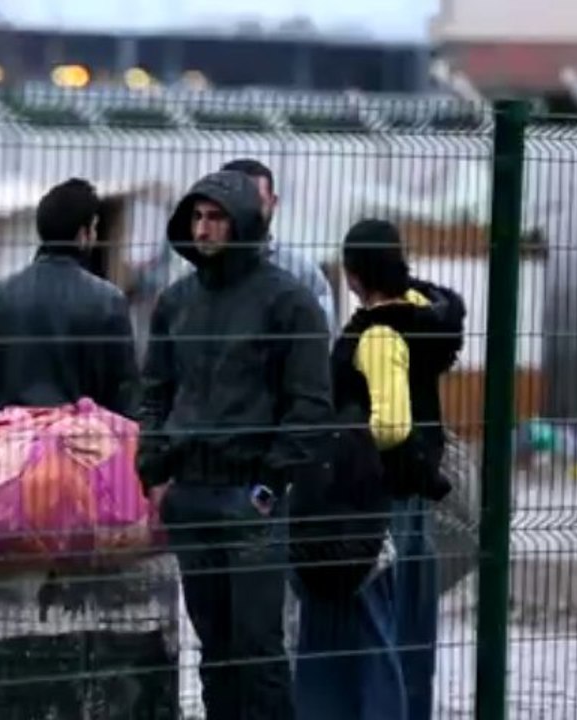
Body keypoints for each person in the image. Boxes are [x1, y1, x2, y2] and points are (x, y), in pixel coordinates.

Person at [0, 178, 177, 719]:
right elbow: (124, 404)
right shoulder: (105, 302)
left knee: (12, 615)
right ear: (88, 233)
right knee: (85, 615)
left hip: (8, 474)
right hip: (80, 479)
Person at [138, 169, 333, 719]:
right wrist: (153, 472)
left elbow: (310, 405)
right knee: (215, 653)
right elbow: (154, 391)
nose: (203, 229)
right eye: (197, 217)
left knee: (259, 650)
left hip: (251, 496)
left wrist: (270, 486)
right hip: (190, 494)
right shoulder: (176, 302)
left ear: (244, 221)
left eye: (216, 217)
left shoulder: (289, 303)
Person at [295, 219, 465, 720]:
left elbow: (390, 425)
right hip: (414, 494)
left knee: (369, 630)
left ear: (352, 274)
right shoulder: (423, 315)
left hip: (374, 500)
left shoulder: (377, 332)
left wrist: (345, 445)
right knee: (408, 627)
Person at [221, 159, 336, 334]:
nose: (247, 208)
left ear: (273, 202)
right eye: (237, 199)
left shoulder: (302, 271)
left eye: (256, 200)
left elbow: (323, 335)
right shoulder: (198, 271)